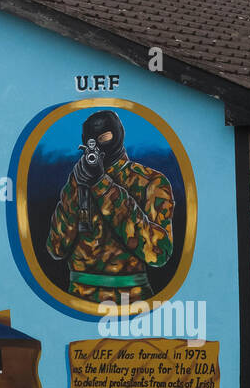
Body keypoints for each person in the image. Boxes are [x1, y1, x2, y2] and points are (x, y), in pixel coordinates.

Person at [46, 110, 174, 305]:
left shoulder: (150, 182)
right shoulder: (77, 180)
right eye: (91, 141)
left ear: (118, 134)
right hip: (77, 299)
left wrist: (102, 185)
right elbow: (56, 249)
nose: (98, 146)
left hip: (131, 300)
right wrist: (77, 189)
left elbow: (157, 253)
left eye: (104, 137)